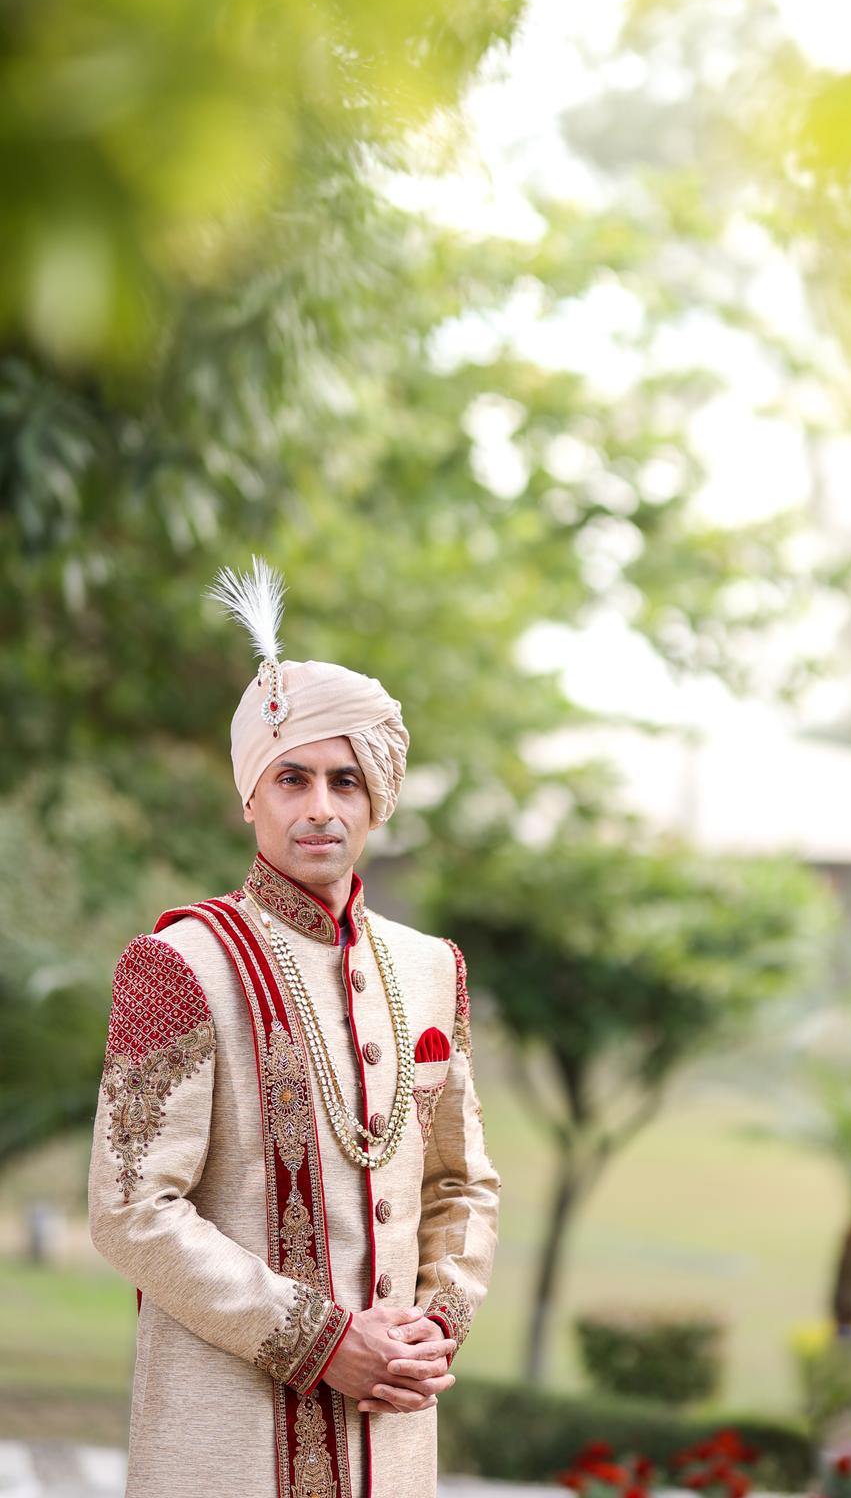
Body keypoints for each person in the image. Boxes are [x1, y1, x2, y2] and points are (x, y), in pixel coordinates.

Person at [88, 559, 501, 1498]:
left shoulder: (432, 969)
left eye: (346, 781)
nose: (321, 807)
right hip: (223, 1444)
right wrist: (321, 1340)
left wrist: (432, 1326)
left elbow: (463, 1182)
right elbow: (130, 1212)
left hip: (390, 1444)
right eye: (293, 779)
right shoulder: (180, 964)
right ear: (251, 797)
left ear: (375, 800)